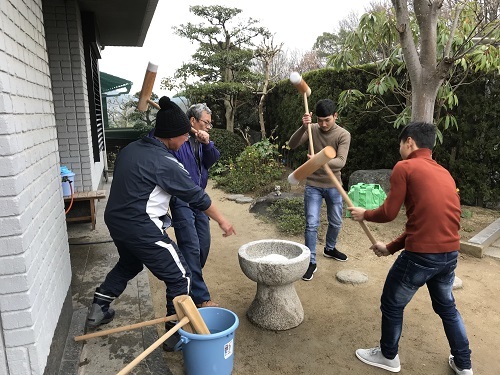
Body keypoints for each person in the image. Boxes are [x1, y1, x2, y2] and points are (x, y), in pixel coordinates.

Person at [85, 96, 236, 340]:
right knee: (180, 277)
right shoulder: (165, 162)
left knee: (131, 263)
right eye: (184, 135)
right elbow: (197, 196)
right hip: (140, 226)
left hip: (115, 221)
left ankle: (99, 307)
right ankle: (173, 338)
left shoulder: (131, 149)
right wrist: (222, 220)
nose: (187, 138)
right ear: (170, 136)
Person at [348, 122, 473, 374]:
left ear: (409, 142)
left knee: (392, 303)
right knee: (447, 308)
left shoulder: (405, 167)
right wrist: (391, 247)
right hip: (449, 255)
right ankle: (463, 363)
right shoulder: (444, 173)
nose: (399, 149)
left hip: (421, 257)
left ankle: (388, 355)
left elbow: (388, 213)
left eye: (400, 144)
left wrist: (365, 214)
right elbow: (425, 224)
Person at [288, 99, 351, 281]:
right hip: (313, 185)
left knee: (336, 222)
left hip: (334, 185)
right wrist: (303, 127)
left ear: (335, 116)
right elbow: (292, 145)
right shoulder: (312, 129)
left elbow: (340, 162)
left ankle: (330, 248)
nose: (323, 124)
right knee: (311, 224)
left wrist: (319, 158)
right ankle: (311, 262)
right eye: (320, 120)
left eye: (327, 120)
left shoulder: (343, 134)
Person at [169, 103, 220, 308]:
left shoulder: (202, 141)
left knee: (203, 245)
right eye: (205, 122)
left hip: (199, 198)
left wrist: (207, 144)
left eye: (209, 123)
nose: (209, 126)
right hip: (181, 199)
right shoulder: (178, 141)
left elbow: (212, 160)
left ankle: (188, 280)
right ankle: (201, 298)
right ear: (192, 121)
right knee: (190, 246)